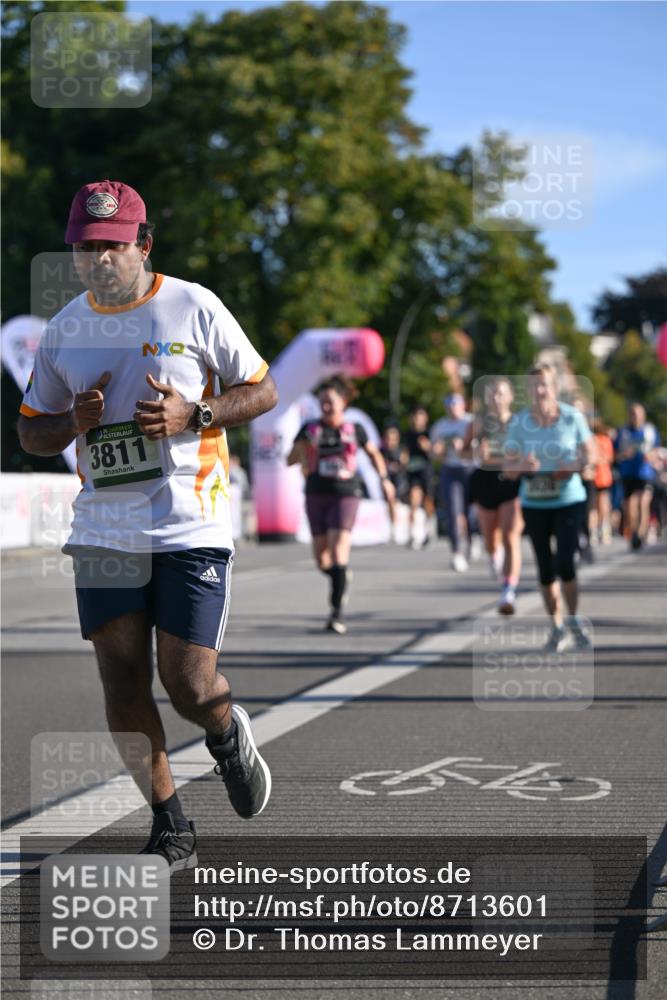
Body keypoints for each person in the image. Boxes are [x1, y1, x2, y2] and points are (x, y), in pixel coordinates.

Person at [18, 179, 278, 871]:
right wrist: (66, 426)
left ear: (143, 244)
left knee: (189, 684)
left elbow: (263, 388)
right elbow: (32, 433)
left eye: (111, 245)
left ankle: (224, 732)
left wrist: (195, 416)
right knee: (123, 679)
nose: (98, 259)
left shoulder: (192, 305)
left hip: (190, 523)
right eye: (84, 247)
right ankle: (170, 824)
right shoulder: (65, 328)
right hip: (104, 526)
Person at [286, 375, 395, 634]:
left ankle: (336, 613)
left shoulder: (355, 429)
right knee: (322, 560)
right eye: (322, 402)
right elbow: (289, 460)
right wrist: (302, 449)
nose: (325, 407)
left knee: (338, 550)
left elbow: (374, 453)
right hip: (316, 493)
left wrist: (384, 479)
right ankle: (341, 576)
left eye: (330, 402)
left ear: (343, 403)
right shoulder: (309, 429)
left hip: (346, 493)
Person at [504, 364, 597, 651]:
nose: (539, 390)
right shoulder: (519, 422)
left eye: (544, 384)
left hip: (568, 498)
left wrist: (574, 465)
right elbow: (506, 469)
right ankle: (556, 626)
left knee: (565, 563)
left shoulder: (572, 417)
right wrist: (522, 466)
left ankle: (572, 618)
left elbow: (592, 454)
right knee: (545, 568)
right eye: (533, 385)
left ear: (554, 387)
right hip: (534, 502)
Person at [465, 376, 523, 614]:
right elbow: (463, 453)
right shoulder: (479, 423)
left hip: (512, 482)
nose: (496, 399)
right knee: (491, 537)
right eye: (492, 394)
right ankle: (493, 555)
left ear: (510, 397)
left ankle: (508, 590)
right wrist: (475, 451)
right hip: (486, 480)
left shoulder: (521, 423)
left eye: (501, 393)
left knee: (511, 536)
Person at [431, 393, 478, 572]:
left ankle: (473, 538)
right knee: (452, 509)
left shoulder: (470, 422)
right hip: (450, 469)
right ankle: (456, 552)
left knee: (471, 511)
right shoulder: (439, 427)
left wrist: (465, 447)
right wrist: (437, 451)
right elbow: (435, 453)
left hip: (470, 469)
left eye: (455, 403)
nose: (452, 407)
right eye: (448, 404)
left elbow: (483, 446)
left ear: (462, 405)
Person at [615, 402, 660, 550]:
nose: (636, 416)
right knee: (630, 506)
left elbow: (656, 450)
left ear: (643, 414)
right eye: (633, 413)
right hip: (628, 472)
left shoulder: (650, 431)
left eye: (638, 413)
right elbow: (614, 454)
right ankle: (634, 532)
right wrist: (624, 455)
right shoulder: (623, 432)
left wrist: (651, 456)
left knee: (643, 502)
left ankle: (641, 533)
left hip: (645, 472)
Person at [404, 405, 433, 549]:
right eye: (415, 416)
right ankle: (414, 534)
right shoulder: (408, 435)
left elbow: (435, 452)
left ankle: (428, 530)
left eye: (420, 416)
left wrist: (428, 447)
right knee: (414, 500)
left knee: (428, 502)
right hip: (412, 471)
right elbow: (404, 452)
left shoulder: (429, 433)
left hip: (426, 471)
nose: (417, 419)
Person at [380, 423, 409, 541]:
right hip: (386, 481)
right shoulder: (380, 452)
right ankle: (393, 526)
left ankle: (398, 527)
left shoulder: (401, 451)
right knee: (390, 501)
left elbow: (405, 466)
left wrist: (402, 463)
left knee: (395, 501)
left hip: (400, 481)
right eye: (388, 438)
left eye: (393, 439)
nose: (390, 442)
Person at [590, 418, 614, 544]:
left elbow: (608, 458)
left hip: (601, 476)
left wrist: (597, 459)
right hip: (595, 476)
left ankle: (602, 529)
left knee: (600, 504)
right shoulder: (595, 439)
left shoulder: (603, 440)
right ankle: (596, 530)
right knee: (595, 505)